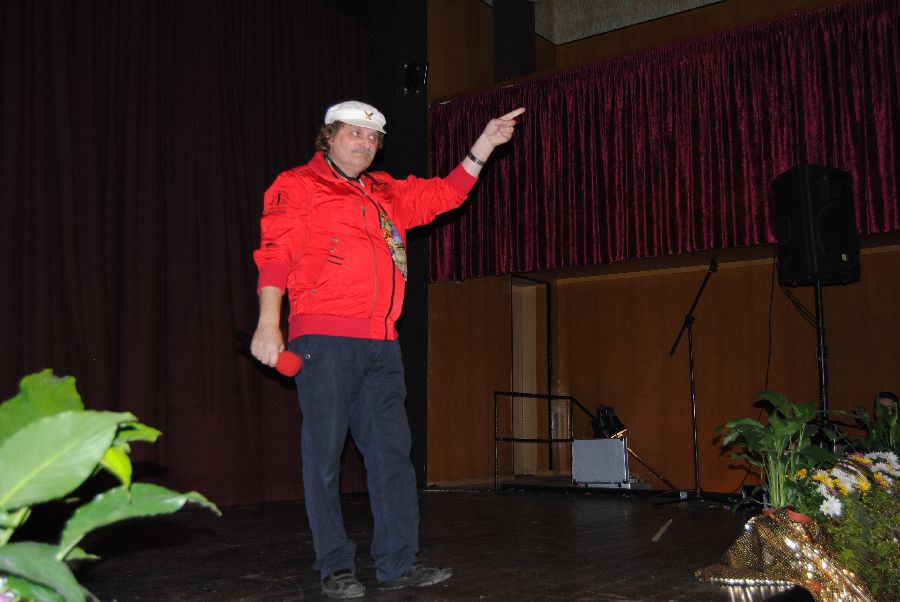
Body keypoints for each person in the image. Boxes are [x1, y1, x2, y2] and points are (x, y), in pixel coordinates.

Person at [250, 100, 524, 599]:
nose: (366, 143)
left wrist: (485, 143)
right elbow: (276, 254)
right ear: (329, 137)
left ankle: (398, 562)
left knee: (392, 457)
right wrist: (269, 323)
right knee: (324, 458)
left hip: (382, 344)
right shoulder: (298, 185)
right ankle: (335, 565)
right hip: (325, 341)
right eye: (354, 133)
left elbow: (445, 193)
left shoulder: (385, 192)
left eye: (373, 137)